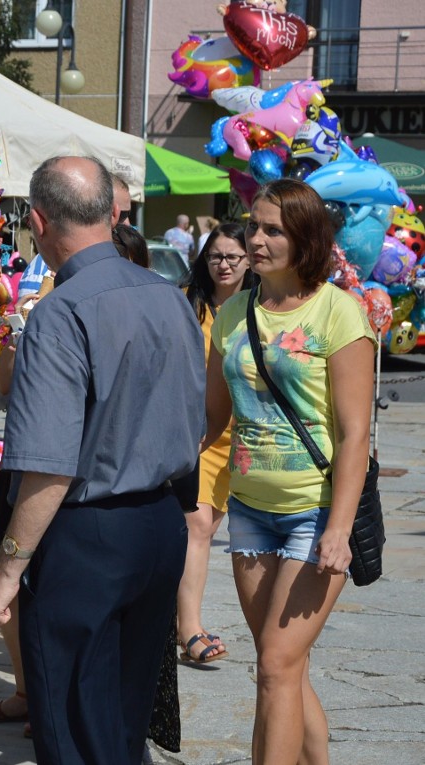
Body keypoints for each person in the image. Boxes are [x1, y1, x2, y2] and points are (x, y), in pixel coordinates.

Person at [0, 156, 206, 765]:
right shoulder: (171, 299)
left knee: (75, 725)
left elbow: (50, 461)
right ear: (110, 213)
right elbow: (198, 417)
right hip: (158, 524)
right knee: (123, 723)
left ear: (39, 221)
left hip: (89, 533)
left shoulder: (60, 311)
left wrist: (6, 569)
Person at [204, 179, 375, 764]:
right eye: (253, 226)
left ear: (304, 238)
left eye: (272, 229)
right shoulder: (231, 314)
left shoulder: (339, 312)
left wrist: (338, 528)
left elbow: (356, 435)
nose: (256, 238)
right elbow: (210, 420)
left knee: (274, 666)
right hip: (250, 514)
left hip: (316, 511)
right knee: (286, 666)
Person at [177, 222, 254, 664]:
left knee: (206, 527)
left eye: (233, 257)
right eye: (216, 256)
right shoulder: (189, 302)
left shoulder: (257, 306)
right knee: (197, 527)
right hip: (198, 429)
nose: (223, 265)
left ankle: (177, 617)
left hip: (242, 434)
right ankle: (190, 627)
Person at [15, 173, 132, 308]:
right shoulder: (44, 266)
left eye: (128, 214)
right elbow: (29, 316)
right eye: (122, 215)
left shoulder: (130, 256)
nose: (128, 223)